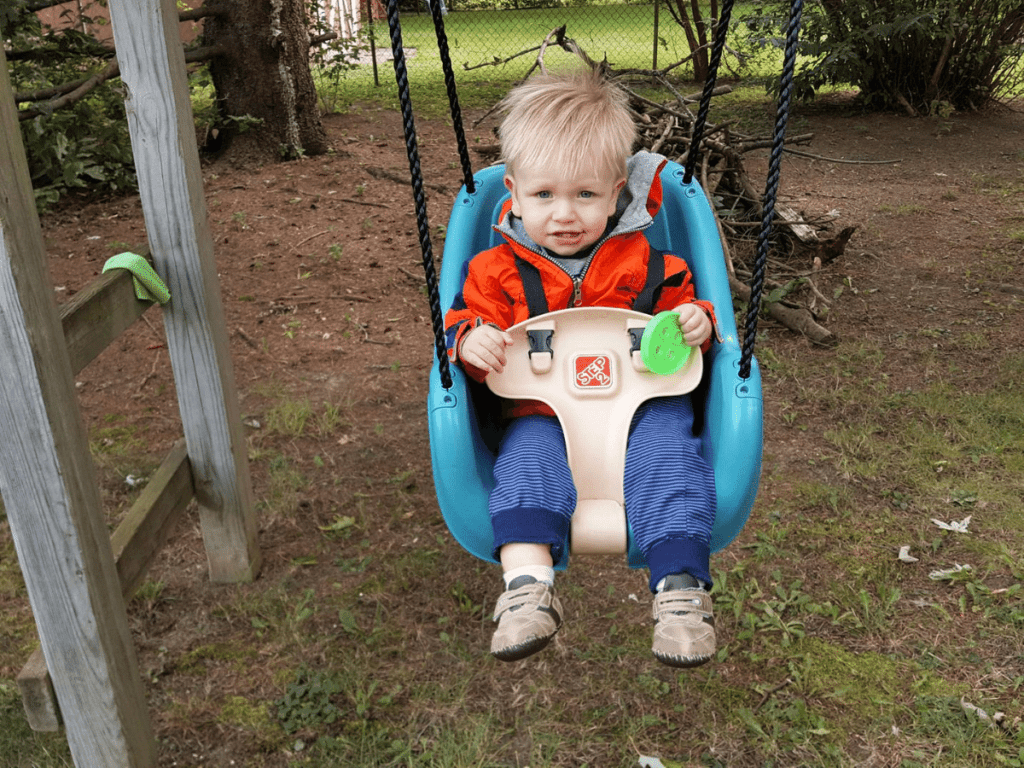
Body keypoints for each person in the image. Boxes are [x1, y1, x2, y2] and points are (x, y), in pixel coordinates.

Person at [444, 68, 720, 668]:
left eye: (586, 196)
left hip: (644, 411)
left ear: (617, 191)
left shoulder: (647, 263)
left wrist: (698, 319)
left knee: (671, 459)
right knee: (525, 463)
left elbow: (685, 306)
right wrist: (471, 341)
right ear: (513, 193)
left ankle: (680, 594)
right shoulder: (493, 272)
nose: (564, 214)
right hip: (541, 414)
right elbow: (461, 323)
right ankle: (526, 591)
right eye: (544, 196)